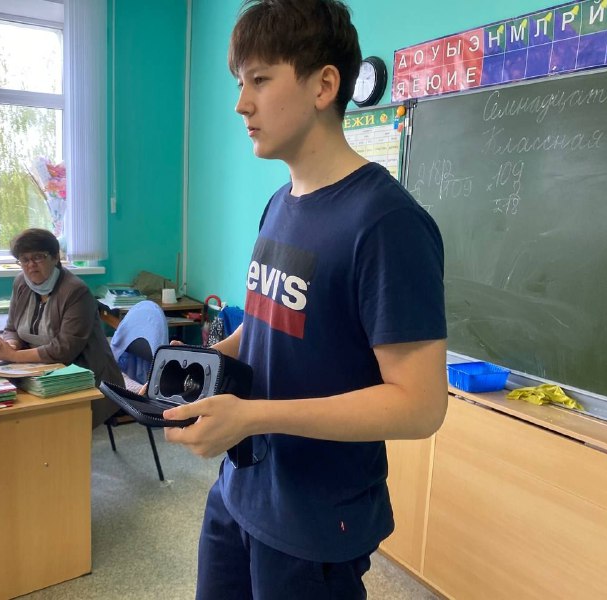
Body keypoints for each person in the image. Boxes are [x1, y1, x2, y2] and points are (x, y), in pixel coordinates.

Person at [162, 1, 448, 598]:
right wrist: (193, 364)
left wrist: (256, 415)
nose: (242, 104)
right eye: (240, 84)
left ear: (323, 85)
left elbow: (420, 406)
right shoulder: (280, 203)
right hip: (241, 488)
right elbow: (267, 326)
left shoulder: (386, 223)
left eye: (260, 80)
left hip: (316, 522)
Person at [0, 228, 124, 426]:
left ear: (55, 257)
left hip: (84, 375)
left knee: (33, 420)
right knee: (1, 406)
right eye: (24, 259)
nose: (31, 265)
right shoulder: (21, 283)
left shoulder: (75, 291)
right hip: (38, 369)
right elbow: (12, 328)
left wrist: (14, 356)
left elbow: (64, 350)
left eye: (38, 257)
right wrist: (10, 345)